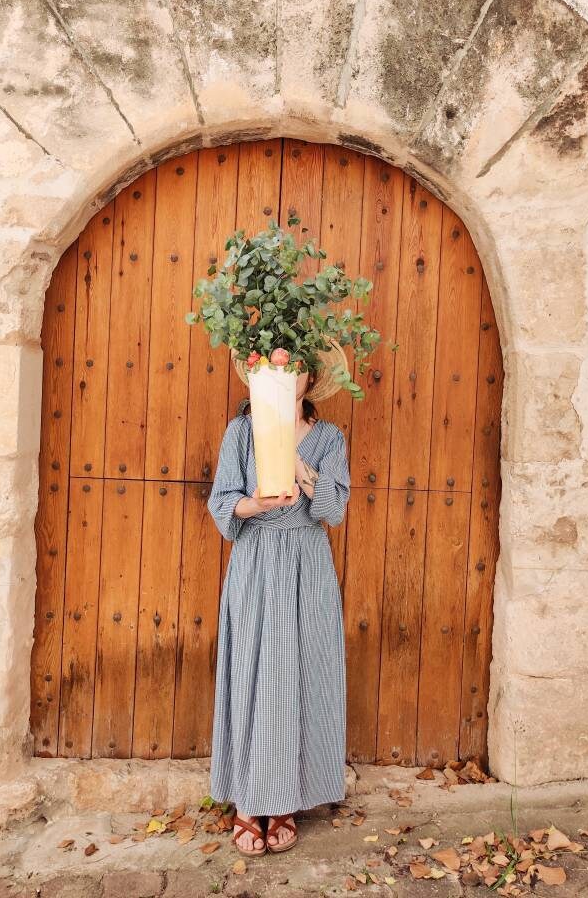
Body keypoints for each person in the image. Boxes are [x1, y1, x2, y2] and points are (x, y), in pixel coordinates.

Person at [207, 353, 351, 856]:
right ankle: (248, 800)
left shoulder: (330, 438)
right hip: (255, 561)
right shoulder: (240, 431)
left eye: (295, 369)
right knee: (252, 672)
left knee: (301, 675)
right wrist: (254, 504)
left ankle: (286, 798)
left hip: (307, 564)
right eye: (274, 369)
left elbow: (333, 508)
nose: (286, 377)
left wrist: (289, 453)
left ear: (309, 377)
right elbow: (222, 501)